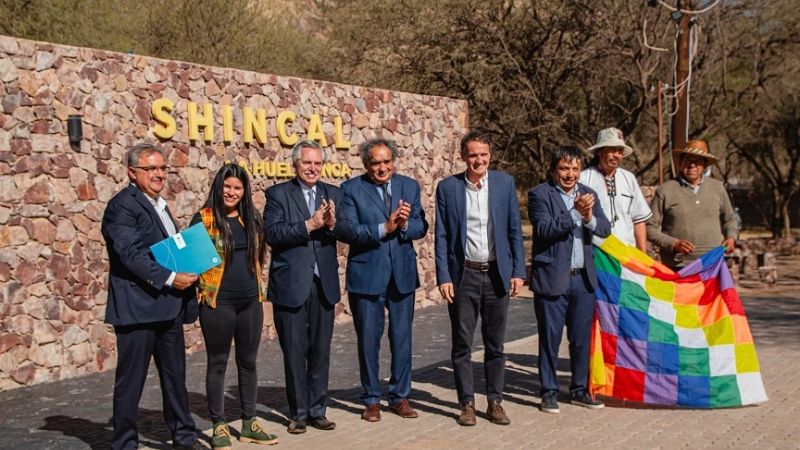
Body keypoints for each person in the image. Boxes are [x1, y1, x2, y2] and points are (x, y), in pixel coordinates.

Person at [102, 143, 199, 450]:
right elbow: (130, 254)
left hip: (168, 309)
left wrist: (196, 262)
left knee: (175, 381)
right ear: (132, 172)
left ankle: (184, 437)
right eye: (151, 168)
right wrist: (172, 278)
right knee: (131, 385)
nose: (159, 174)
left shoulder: (160, 204)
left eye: (162, 168)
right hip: (138, 312)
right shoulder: (122, 206)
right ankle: (125, 444)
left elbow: (169, 248)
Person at [434, 131, 526, 426]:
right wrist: (444, 276)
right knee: (462, 343)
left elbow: (514, 230)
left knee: (495, 344)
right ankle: (467, 404)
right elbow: (442, 236)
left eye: (484, 154)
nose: (479, 160)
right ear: (463, 156)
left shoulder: (504, 184)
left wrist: (518, 271)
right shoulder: (448, 188)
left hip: (497, 274)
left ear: (490, 155)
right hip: (464, 275)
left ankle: (495, 402)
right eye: (473, 155)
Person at [336, 138, 429, 422]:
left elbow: (421, 225)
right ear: (366, 164)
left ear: (394, 161)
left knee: (402, 338)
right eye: (375, 162)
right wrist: (384, 227)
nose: (382, 167)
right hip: (367, 275)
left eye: (387, 161)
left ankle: (400, 397)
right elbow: (347, 230)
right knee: (368, 340)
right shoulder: (350, 189)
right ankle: (371, 399)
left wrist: (404, 226)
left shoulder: (409, 186)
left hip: (401, 275)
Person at [191, 163, 278, 449]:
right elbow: (192, 265)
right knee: (217, 364)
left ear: (244, 191)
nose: (231, 192)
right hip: (218, 303)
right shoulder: (203, 220)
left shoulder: (251, 219)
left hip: (250, 302)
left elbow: (258, 259)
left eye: (237, 188)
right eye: (227, 186)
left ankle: (249, 423)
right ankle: (218, 425)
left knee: (248, 363)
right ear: (219, 187)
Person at [263, 140, 342, 434]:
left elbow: (344, 229)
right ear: (295, 164)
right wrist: (308, 225)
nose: (313, 168)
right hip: (291, 285)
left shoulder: (333, 193)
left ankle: (318, 410)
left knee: (320, 351)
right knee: (295, 352)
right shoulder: (278, 194)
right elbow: (272, 233)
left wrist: (333, 224)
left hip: (324, 284)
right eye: (307, 163)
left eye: (317, 163)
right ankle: (298, 413)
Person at [528, 146, 611, 414]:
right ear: (553, 170)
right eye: (564, 168)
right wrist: (575, 213)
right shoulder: (539, 194)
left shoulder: (589, 194)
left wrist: (588, 218)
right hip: (552, 278)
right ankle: (549, 392)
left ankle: (579, 390)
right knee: (549, 340)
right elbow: (544, 229)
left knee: (581, 340)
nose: (570, 174)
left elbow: (605, 228)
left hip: (582, 280)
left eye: (575, 168)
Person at [647, 140, 737, 269]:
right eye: (688, 160)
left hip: (713, 264)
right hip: (678, 265)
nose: (692, 165)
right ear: (680, 163)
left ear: (705, 166)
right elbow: (649, 228)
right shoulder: (665, 190)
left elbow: (729, 218)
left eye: (698, 161)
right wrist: (673, 243)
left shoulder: (717, 188)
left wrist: (731, 237)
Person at [579, 127, 652, 252]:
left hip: (627, 251)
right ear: (599, 151)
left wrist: (643, 254)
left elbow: (638, 220)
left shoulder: (628, 178)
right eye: (611, 150)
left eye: (619, 151)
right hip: (597, 251)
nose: (616, 155)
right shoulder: (584, 179)